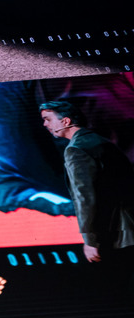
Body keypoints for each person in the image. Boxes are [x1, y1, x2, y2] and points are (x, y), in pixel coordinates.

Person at [40, 101, 134, 302]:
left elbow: (85, 198)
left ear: (65, 121)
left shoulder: (76, 150)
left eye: (47, 119)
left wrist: (90, 240)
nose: (45, 125)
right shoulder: (99, 141)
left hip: (117, 233)